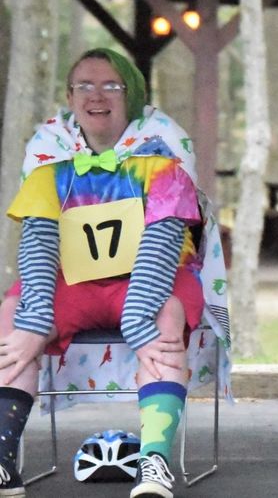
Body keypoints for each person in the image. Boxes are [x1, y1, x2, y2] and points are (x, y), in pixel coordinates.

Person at [0, 48, 227, 498]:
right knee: (12, 313)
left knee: (166, 315)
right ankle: (3, 459)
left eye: (111, 85)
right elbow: (40, 239)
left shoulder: (163, 148)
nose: (96, 95)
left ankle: (154, 460)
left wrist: (139, 315)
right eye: (84, 85)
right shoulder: (49, 149)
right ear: (69, 96)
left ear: (133, 95)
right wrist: (32, 320)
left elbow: (164, 238)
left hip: (151, 274)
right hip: (77, 277)